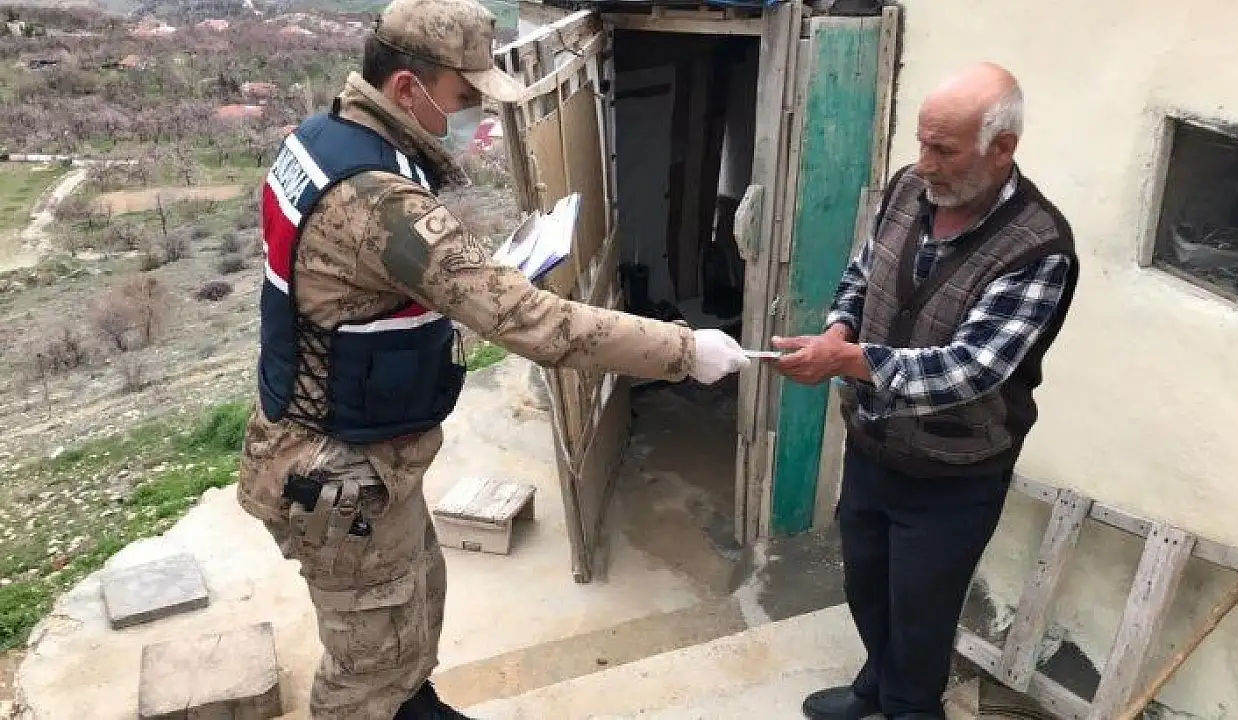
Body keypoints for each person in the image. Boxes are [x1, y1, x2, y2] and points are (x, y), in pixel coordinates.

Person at [234, 0, 750, 717]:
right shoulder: (378, 200)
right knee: (366, 672)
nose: (471, 112)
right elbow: (535, 324)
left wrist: (476, 280)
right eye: (463, 95)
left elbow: (367, 284)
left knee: (414, 606)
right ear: (407, 88)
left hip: (364, 453)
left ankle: (414, 703)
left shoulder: (325, 140)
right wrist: (683, 349)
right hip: (337, 472)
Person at [769, 63, 1079, 720]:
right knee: (867, 588)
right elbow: (862, 273)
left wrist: (848, 360)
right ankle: (875, 687)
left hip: (953, 474)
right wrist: (839, 328)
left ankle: (911, 707)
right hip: (873, 448)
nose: (925, 163)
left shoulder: (1039, 247)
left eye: (945, 149)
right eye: (922, 142)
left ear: (1003, 147)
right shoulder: (911, 188)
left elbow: (970, 370)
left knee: (922, 614)